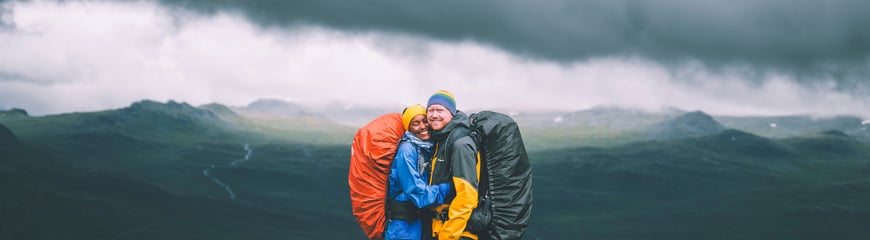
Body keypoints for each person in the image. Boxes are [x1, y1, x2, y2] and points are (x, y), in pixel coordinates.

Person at [386, 104, 451, 240]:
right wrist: (449, 188)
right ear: (408, 128)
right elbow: (416, 191)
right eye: (415, 123)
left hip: (417, 222)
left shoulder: (425, 148)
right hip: (403, 228)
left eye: (424, 121)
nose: (422, 126)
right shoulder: (407, 150)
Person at [425, 90, 480, 240]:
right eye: (430, 110)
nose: (434, 115)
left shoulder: (460, 144)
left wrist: (448, 236)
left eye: (440, 110)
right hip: (442, 228)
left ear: (452, 113)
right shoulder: (442, 139)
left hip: (458, 232)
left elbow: (467, 195)